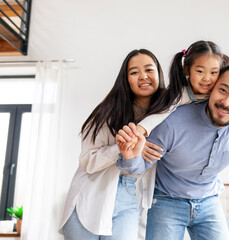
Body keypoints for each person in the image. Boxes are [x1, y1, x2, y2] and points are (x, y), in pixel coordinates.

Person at [117, 63, 229, 240]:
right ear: (212, 89)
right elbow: (137, 168)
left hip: (209, 201)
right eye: (223, 90)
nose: (226, 102)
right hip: (166, 200)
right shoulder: (172, 123)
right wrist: (130, 157)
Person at [58, 49, 166, 240]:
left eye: (149, 69)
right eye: (134, 72)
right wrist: (124, 147)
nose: (143, 76)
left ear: (159, 73)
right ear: (125, 79)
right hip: (90, 194)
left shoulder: (165, 115)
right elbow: (87, 161)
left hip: (130, 197)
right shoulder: (108, 112)